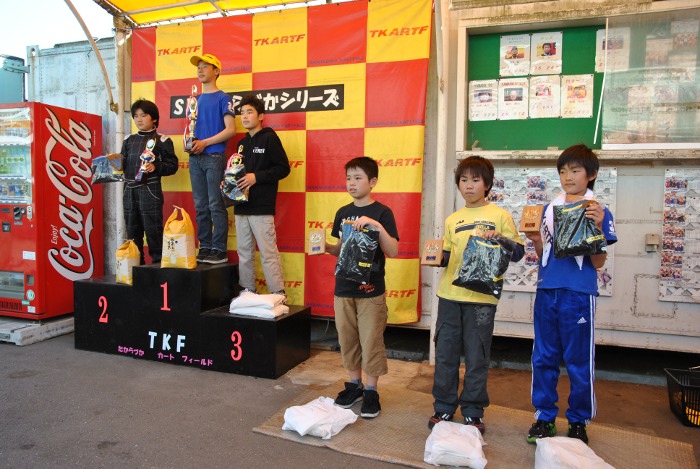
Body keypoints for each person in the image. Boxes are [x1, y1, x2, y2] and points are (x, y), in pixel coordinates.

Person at [524, 144, 617, 445]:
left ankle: (578, 421)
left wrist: (598, 226)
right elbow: (544, 255)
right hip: (547, 289)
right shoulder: (548, 210)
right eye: (563, 171)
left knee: (579, 360)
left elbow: (599, 262)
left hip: (579, 293)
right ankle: (544, 417)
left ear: (591, 174)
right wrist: (536, 240)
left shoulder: (598, 210)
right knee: (543, 357)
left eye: (575, 170)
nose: (568, 177)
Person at [427, 155, 524, 434]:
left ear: (488, 184)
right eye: (463, 180)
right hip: (449, 296)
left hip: (482, 300)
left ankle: (472, 410)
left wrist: (500, 238)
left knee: (476, 358)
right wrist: (434, 256)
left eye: (475, 180)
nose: (469, 185)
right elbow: (447, 255)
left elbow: (518, 252)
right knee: (445, 356)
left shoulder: (500, 216)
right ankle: (443, 407)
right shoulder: (453, 219)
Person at [325, 156, 399, 419]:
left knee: (371, 341)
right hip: (343, 289)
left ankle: (371, 391)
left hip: (371, 291)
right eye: (348, 178)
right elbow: (341, 250)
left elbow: (393, 250)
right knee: (347, 340)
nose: (352, 183)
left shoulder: (382, 213)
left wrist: (375, 226)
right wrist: (325, 247)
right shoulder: (342, 213)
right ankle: (354, 385)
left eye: (358, 178)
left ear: (373, 181)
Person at [234, 95, 291, 297]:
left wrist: (256, 177)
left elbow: (283, 168)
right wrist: (230, 184)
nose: (245, 116)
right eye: (242, 113)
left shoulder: (269, 138)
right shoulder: (241, 143)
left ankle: (278, 293)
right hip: (241, 205)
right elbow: (238, 173)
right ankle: (248, 289)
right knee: (244, 252)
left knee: (268, 252)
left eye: (249, 112)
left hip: (261, 206)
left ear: (261, 116)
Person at [188, 53, 236, 264]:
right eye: (198, 66)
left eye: (205, 66)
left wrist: (205, 143)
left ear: (217, 71)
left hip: (214, 156)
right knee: (200, 205)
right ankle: (205, 245)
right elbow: (191, 128)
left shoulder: (223, 98)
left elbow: (231, 130)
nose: (200, 69)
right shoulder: (194, 100)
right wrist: (191, 144)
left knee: (216, 204)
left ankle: (219, 249)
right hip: (195, 157)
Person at [120, 99, 179, 265]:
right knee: (132, 230)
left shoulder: (163, 140)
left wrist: (155, 167)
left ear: (154, 119)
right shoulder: (128, 140)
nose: (139, 119)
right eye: (136, 116)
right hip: (129, 189)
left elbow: (172, 166)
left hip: (150, 189)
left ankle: (158, 265)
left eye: (143, 115)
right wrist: (111, 163)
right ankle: (135, 266)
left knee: (153, 230)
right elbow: (121, 164)